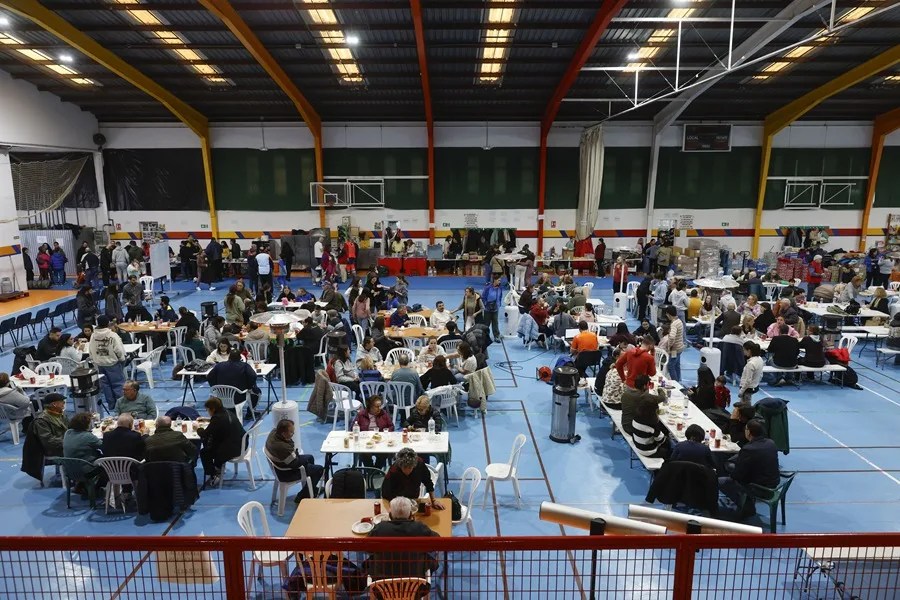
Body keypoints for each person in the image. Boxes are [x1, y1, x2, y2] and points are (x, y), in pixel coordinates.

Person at [718, 420, 780, 517]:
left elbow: (737, 475)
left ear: (749, 432)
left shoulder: (748, 449)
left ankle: (746, 506)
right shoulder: (771, 443)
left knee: (720, 481)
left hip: (759, 488)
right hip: (773, 484)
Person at [265, 419, 323, 500]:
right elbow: (295, 463)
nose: (293, 433)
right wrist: (301, 460)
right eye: (291, 432)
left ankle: (311, 488)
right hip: (285, 473)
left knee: (310, 457)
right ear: (284, 434)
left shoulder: (274, 432)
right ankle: (302, 495)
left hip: (280, 465)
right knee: (319, 469)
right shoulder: (283, 447)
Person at [197, 396, 245, 487]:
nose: (208, 412)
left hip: (233, 449)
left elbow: (204, 434)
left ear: (213, 409)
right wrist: (207, 419)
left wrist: (198, 428)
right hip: (241, 443)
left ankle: (214, 475)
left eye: (208, 410)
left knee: (204, 452)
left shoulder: (217, 419)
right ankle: (217, 465)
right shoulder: (227, 411)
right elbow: (220, 423)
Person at [89, 316, 127, 411]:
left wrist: (94, 360)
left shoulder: (93, 336)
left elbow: (90, 349)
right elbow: (119, 349)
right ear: (108, 323)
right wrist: (122, 359)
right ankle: (121, 407)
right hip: (113, 363)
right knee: (118, 385)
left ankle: (111, 405)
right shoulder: (112, 335)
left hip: (99, 364)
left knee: (106, 386)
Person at [207, 350, 258, 415]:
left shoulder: (219, 365)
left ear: (229, 357)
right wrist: (249, 387)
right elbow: (253, 376)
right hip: (239, 397)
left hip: (221, 397)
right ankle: (250, 413)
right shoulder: (245, 366)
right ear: (240, 357)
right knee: (257, 392)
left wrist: (215, 387)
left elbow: (209, 377)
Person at [632, 394, 671, 459]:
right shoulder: (651, 425)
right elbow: (661, 440)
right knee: (669, 446)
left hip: (638, 445)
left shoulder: (636, 417)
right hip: (648, 451)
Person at [664, 306, 685, 382]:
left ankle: (675, 382)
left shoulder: (674, 324)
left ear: (668, 314)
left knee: (671, 366)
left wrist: (669, 346)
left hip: (675, 349)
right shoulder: (679, 321)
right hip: (680, 347)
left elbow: (672, 337)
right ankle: (678, 381)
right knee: (677, 366)